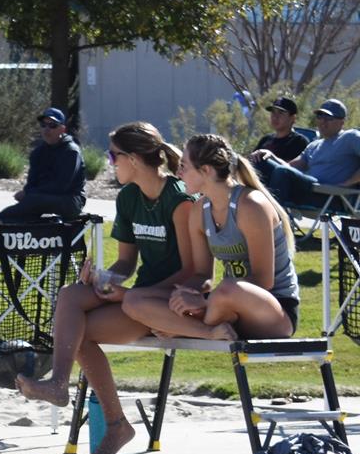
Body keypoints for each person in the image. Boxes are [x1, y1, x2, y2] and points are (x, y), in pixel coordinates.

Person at [16, 122, 209, 454]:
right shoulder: (129, 197)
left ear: (133, 159)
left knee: (78, 330)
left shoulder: (179, 198)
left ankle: (114, 423)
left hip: (170, 302)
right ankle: (67, 390)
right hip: (141, 295)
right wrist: (105, 278)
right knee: (72, 296)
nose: (110, 163)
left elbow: (194, 271)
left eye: (113, 156)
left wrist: (132, 293)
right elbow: (126, 262)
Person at [122, 133, 297, 343]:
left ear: (205, 170)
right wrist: (182, 296)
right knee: (134, 299)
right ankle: (206, 330)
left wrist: (204, 302)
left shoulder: (251, 205)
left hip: (274, 311)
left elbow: (263, 281)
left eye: (184, 166)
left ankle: (184, 328)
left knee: (229, 288)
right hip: (224, 305)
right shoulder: (199, 210)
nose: (178, 173)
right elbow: (202, 275)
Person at [251, 98, 360, 207]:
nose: (323, 121)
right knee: (259, 162)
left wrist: (347, 184)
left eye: (329, 118)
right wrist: (271, 157)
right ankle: (247, 210)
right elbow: (289, 167)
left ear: (342, 122)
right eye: (320, 116)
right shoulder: (314, 145)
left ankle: (274, 218)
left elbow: (284, 171)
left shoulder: (350, 137)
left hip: (331, 195)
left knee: (282, 172)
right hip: (307, 190)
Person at [0, 108, 86, 223]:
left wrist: (30, 193)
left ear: (62, 129)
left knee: (33, 200)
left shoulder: (71, 152)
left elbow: (61, 186)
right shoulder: (37, 153)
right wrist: (27, 193)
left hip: (71, 200)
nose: (47, 129)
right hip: (43, 197)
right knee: (29, 205)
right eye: (43, 125)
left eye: (52, 125)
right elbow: (32, 183)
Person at [253, 97, 309, 165]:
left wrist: (272, 158)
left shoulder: (299, 142)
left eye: (281, 113)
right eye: (273, 112)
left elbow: (293, 170)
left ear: (292, 118)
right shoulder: (265, 139)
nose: (275, 117)